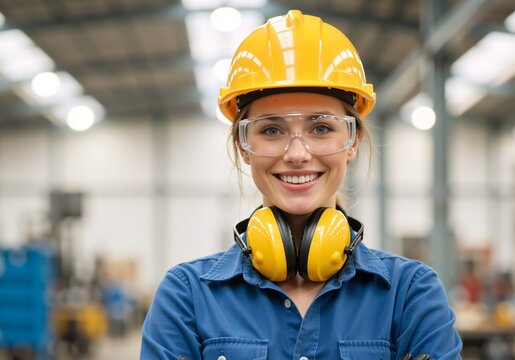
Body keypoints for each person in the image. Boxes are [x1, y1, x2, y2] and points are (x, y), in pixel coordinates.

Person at [141, 10, 462, 359]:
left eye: (321, 128)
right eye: (271, 130)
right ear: (242, 147)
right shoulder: (187, 295)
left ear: (352, 142)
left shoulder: (409, 293)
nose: (297, 154)